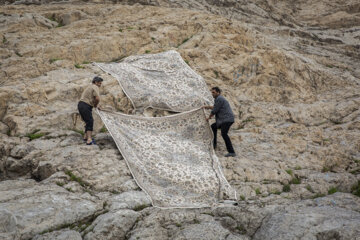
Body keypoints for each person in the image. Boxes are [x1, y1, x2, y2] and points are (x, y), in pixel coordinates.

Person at [203, 87, 236, 157]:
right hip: (224, 120)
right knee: (213, 127)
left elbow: (215, 110)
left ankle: (231, 152)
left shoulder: (219, 99)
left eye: (214, 92)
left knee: (224, 134)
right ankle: (214, 145)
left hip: (226, 119)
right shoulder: (218, 99)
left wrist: (208, 118)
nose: (212, 94)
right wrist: (207, 107)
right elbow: (215, 107)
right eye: (212, 92)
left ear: (218, 92)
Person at [78, 76, 103, 145]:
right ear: (95, 82)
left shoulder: (90, 87)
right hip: (86, 105)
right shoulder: (95, 87)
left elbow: (91, 98)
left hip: (81, 105)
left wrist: (96, 105)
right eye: (99, 83)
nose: (100, 84)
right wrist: (95, 105)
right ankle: (89, 139)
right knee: (90, 121)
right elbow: (97, 98)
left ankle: (85, 137)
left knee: (87, 121)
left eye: (101, 83)